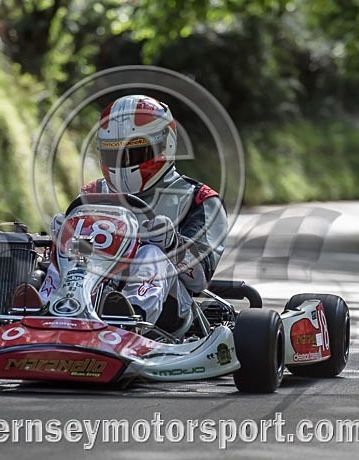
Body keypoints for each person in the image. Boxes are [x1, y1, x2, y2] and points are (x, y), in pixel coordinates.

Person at [38, 94, 228, 325]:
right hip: (92, 290)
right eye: (113, 154)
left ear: (166, 145)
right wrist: (63, 236)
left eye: (136, 153)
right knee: (73, 250)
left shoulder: (199, 199)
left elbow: (199, 281)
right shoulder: (92, 194)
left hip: (168, 314)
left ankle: (130, 316)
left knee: (151, 253)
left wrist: (172, 245)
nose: (123, 164)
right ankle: (45, 308)